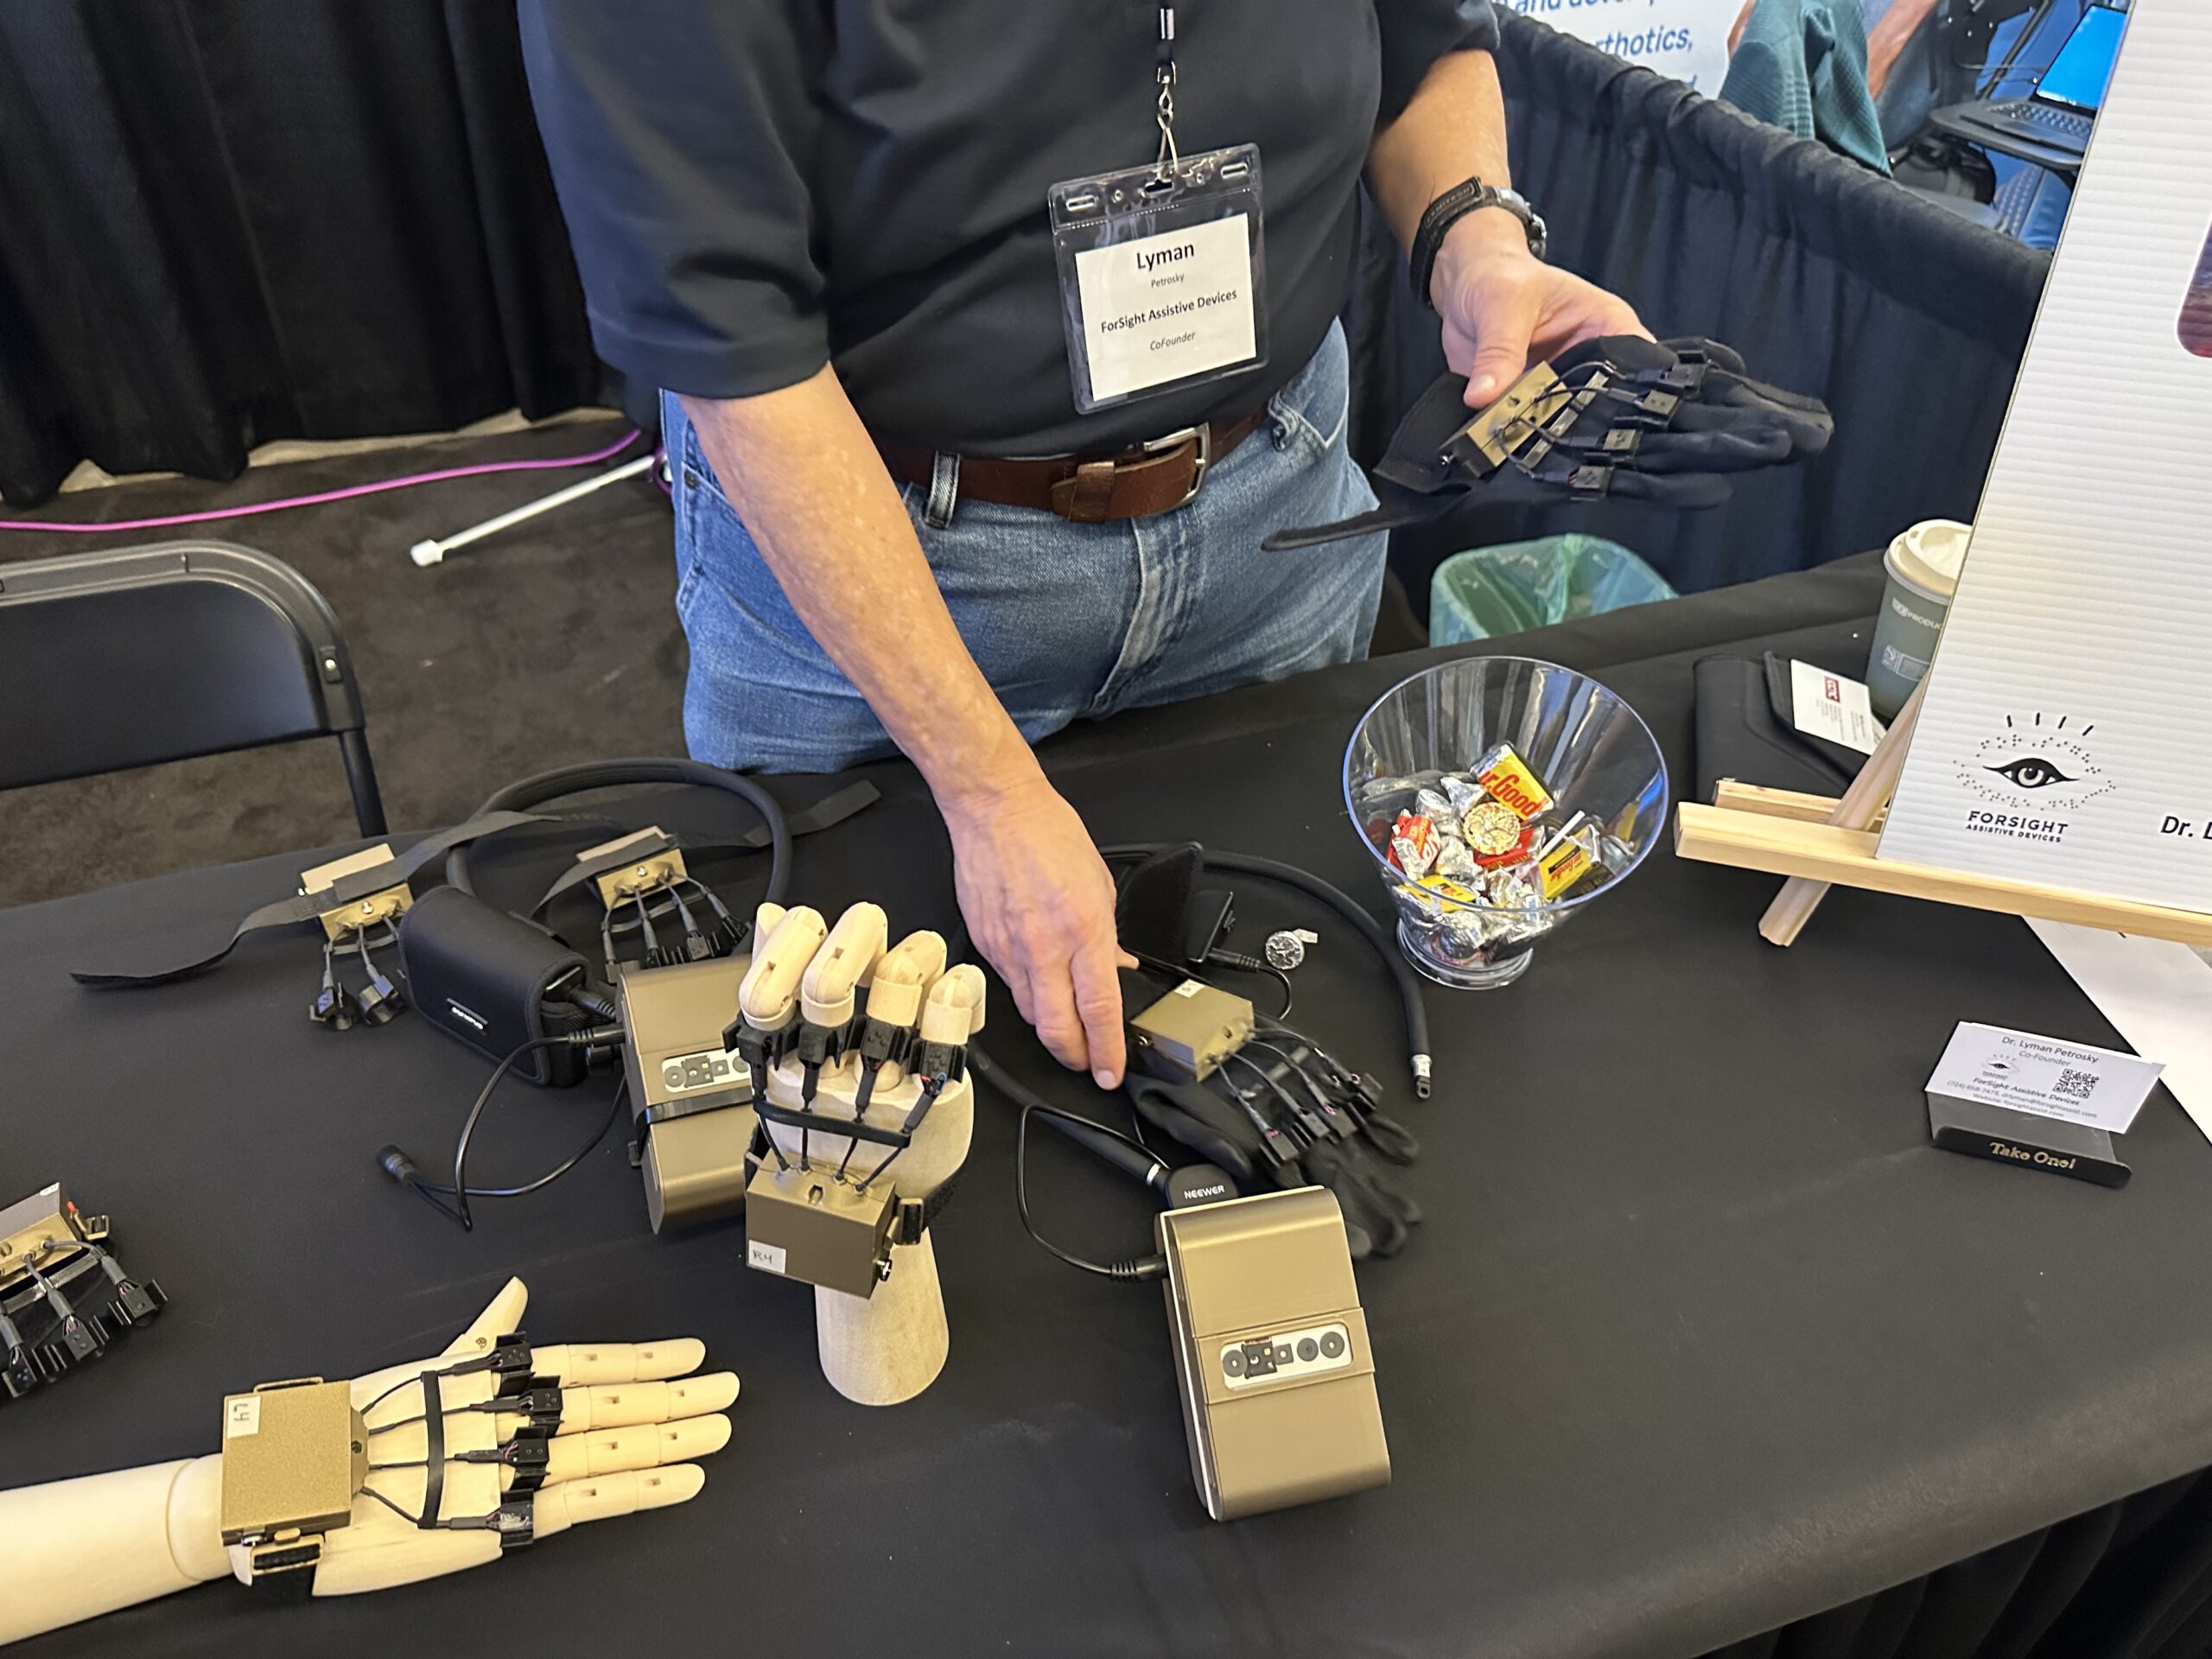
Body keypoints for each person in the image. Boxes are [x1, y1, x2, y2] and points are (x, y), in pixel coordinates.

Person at [518, 1, 1643, 1090]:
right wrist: (988, 791)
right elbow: (728, 337)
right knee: (851, 1069)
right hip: (889, 572)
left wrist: (1474, 242)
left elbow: (1423, 41)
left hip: (1278, 507)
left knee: (1309, 1001)